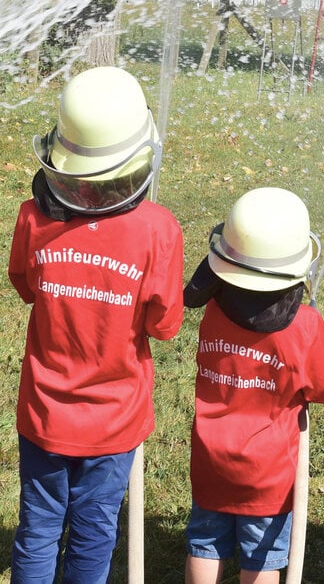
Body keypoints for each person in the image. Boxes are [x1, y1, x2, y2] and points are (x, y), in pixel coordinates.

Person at [7, 66, 184, 580]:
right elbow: (165, 325)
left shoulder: (33, 217)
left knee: (38, 527)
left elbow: (25, 287)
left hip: (44, 411)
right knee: (94, 530)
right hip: (114, 420)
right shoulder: (159, 230)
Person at [182, 187, 324, 583]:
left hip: (210, 458)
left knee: (204, 543)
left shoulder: (214, 311)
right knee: (262, 557)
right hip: (268, 471)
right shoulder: (305, 327)